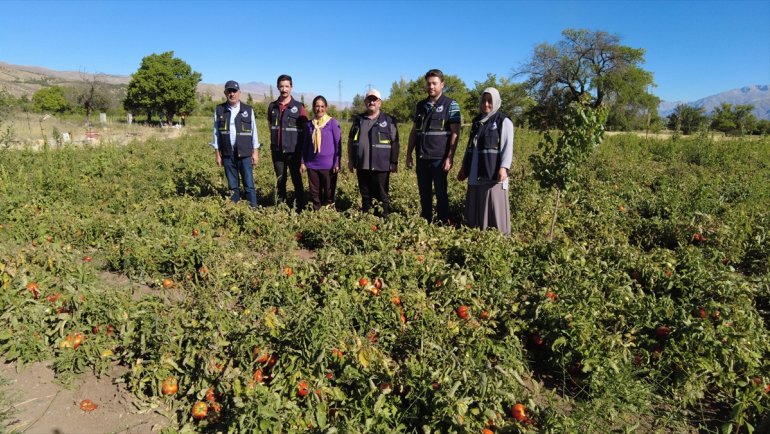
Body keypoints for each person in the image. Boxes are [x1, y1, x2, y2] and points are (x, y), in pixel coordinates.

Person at [406, 69, 461, 224]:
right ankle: (426, 222)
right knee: (424, 193)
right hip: (422, 157)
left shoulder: (451, 104)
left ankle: (443, 222)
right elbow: (414, 132)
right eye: (429, 83)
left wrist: (450, 157)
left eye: (434, 83)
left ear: (442, 85)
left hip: (439, 158)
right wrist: (409, 153)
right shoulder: (421, 105)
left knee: (441, 192)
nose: (431, 86)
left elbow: (455, 133)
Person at [457, 88, 513, 236]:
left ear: (496, 102)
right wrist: (464, 167)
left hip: (492, 170)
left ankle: (498, 236)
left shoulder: (503, 120)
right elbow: (470, 146)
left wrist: (504, 167)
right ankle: (476, 232)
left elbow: (508, 146)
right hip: (476, 168)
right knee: (476, 198)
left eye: (490, 101)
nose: (486, 104)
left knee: (493, 201)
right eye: (484, 100)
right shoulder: (477, 121)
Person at [348, 89, 399, 218]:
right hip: (362, 165)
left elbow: (395, 143)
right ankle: (367, 219)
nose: (372, 102)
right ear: (365, 102)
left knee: (382, 194)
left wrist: (394, 162)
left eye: (374, 100)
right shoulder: (358, 120)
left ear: (379, 102)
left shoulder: (388, 120)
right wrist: (351, 160)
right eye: (369, 99)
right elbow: (350, 141)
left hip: (381, 165)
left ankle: (383, 219)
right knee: (365, 195)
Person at [211, 80, 259, 208]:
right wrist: (217, 154)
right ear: (225, 93)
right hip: (227, 154)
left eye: (234, 91)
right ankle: (235, 210)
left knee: (249, 184)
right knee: (233, 186)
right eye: (229, 91)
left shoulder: (248, 110)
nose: (232, 94)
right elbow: (216, 133)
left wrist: (255, 152)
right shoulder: (219, 110)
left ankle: (253, 210)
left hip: (245, 153)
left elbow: (254, 131)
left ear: (239, 93)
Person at [268, 74, 307, 210]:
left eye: (287, 86)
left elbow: (305, 131)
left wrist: (303, 154)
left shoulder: (299, 107)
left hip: (294, 151)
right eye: (281, 86)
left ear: (291, 87)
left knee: (297, 180)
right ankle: (281, 207)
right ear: (278, 87)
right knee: (280, 180)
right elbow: (270, 126)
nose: (284, 89)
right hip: (277, 151)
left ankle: (301, 207)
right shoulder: (272, 107)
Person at [300, 95, 342, 210]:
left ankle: (328, 213)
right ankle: (317, 212)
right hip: (312, 164)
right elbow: (305, 144)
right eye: (317, 106)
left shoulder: (332, 123)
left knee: (329, 192)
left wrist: (337, 162)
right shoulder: (309, 124)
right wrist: (303, 161)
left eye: (322, 106)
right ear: (313, 108)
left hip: (329, 165)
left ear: (326, 108)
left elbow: (338, 144)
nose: (319, 109)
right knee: (314, 192)